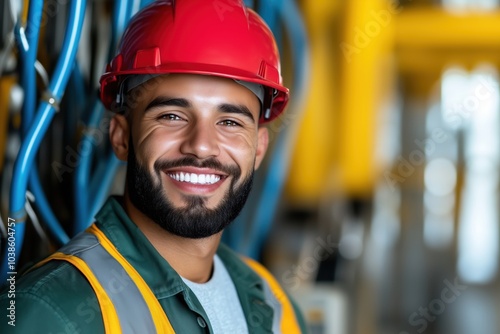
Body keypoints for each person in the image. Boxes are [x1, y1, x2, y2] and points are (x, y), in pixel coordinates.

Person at [0, 0, 307, 333]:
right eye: (171, 116)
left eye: (230, 122)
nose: (201, 145)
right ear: (120, 136)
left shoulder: (274, 304)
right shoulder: (49, 314)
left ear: (259, 148)